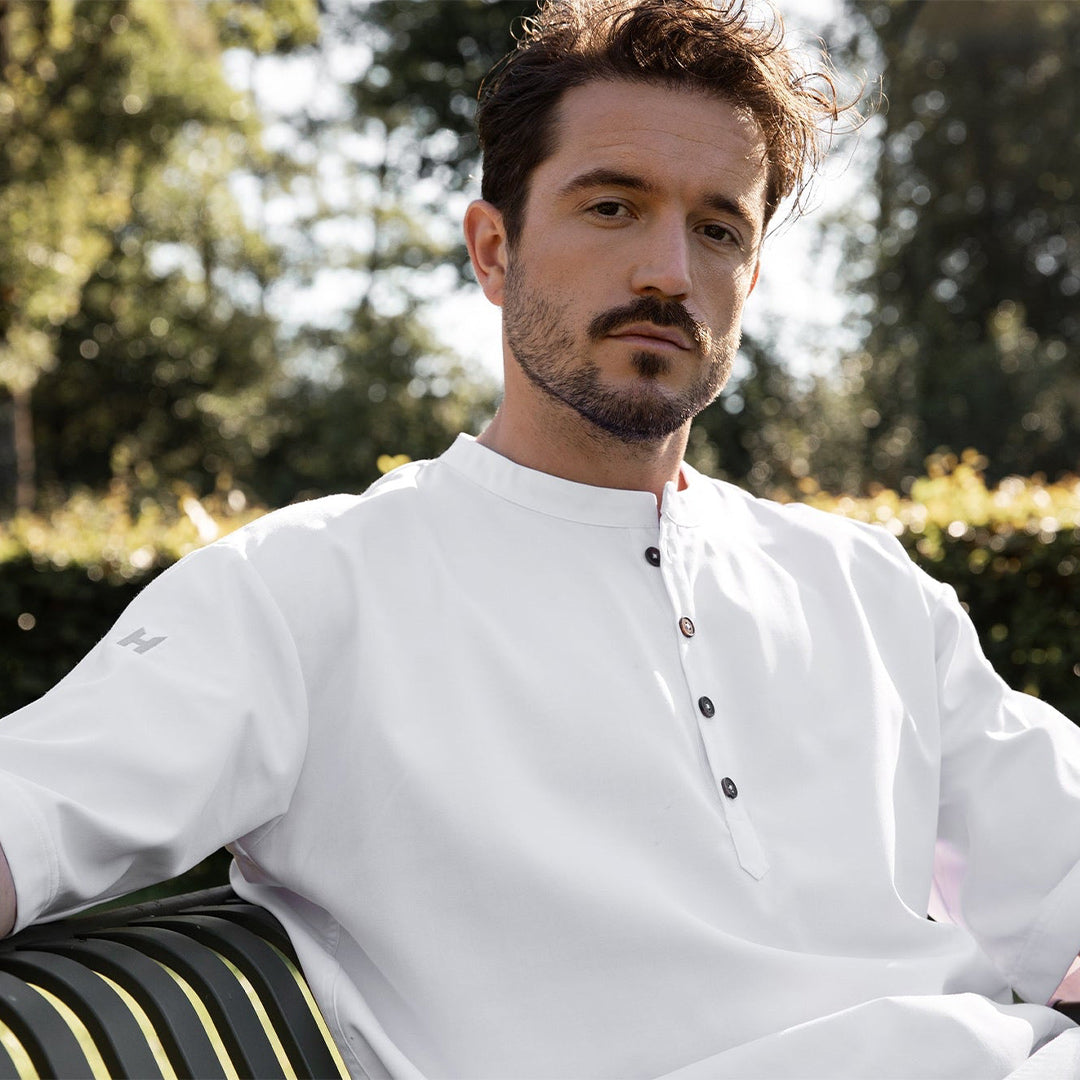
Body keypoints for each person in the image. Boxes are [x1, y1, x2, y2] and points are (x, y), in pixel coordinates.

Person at [2, 0, 1080, 1076]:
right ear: (494, 250)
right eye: (612, 206)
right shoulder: (307, 592)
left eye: (719, 229)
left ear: (749, 279)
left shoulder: (867, 589)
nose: (668, 269)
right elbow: (33, 805)